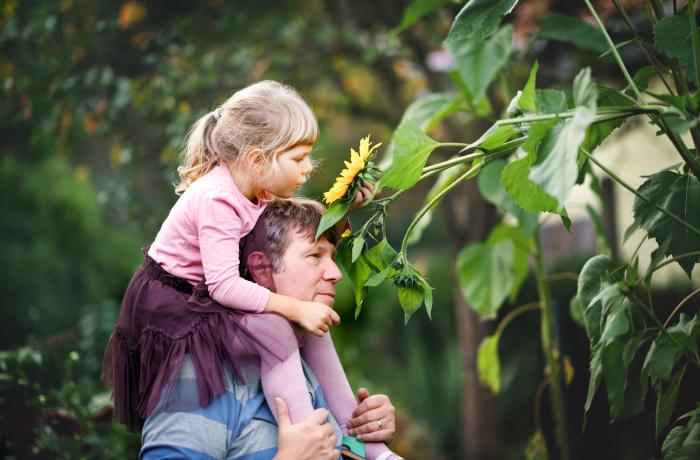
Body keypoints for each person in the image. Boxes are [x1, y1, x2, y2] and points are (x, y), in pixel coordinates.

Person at [102, 81, 396, 458]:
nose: (309, 169)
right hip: (180, 306)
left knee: (307, 328)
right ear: (258, 159)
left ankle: (360, 443)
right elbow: (224, 285)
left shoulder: (255, 188)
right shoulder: (217, 199)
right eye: (299, 158)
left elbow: (294, 227)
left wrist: (346, 205)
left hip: (211, 294)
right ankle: (309, 434)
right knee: (277, 329)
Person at [139, 198, 399, 460]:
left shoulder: (307, 361)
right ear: (261, 268)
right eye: (314, 256)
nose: (335, 273)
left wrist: (369, 430)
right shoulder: (204, 373)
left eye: (331, 256)